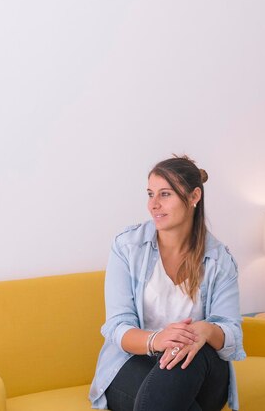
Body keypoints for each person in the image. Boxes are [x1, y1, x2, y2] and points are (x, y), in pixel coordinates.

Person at [89, 155, 245, 411]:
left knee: (194, 347)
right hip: (133, 364)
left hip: (199, 371)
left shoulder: (219, 261)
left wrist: (204, 330)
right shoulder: (127, 247)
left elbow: (232, 333)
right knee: (170, 387)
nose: (153, 205)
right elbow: (117, 326)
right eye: (150, 194)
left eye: (165, 194)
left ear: (194, 197)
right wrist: (157, 340)